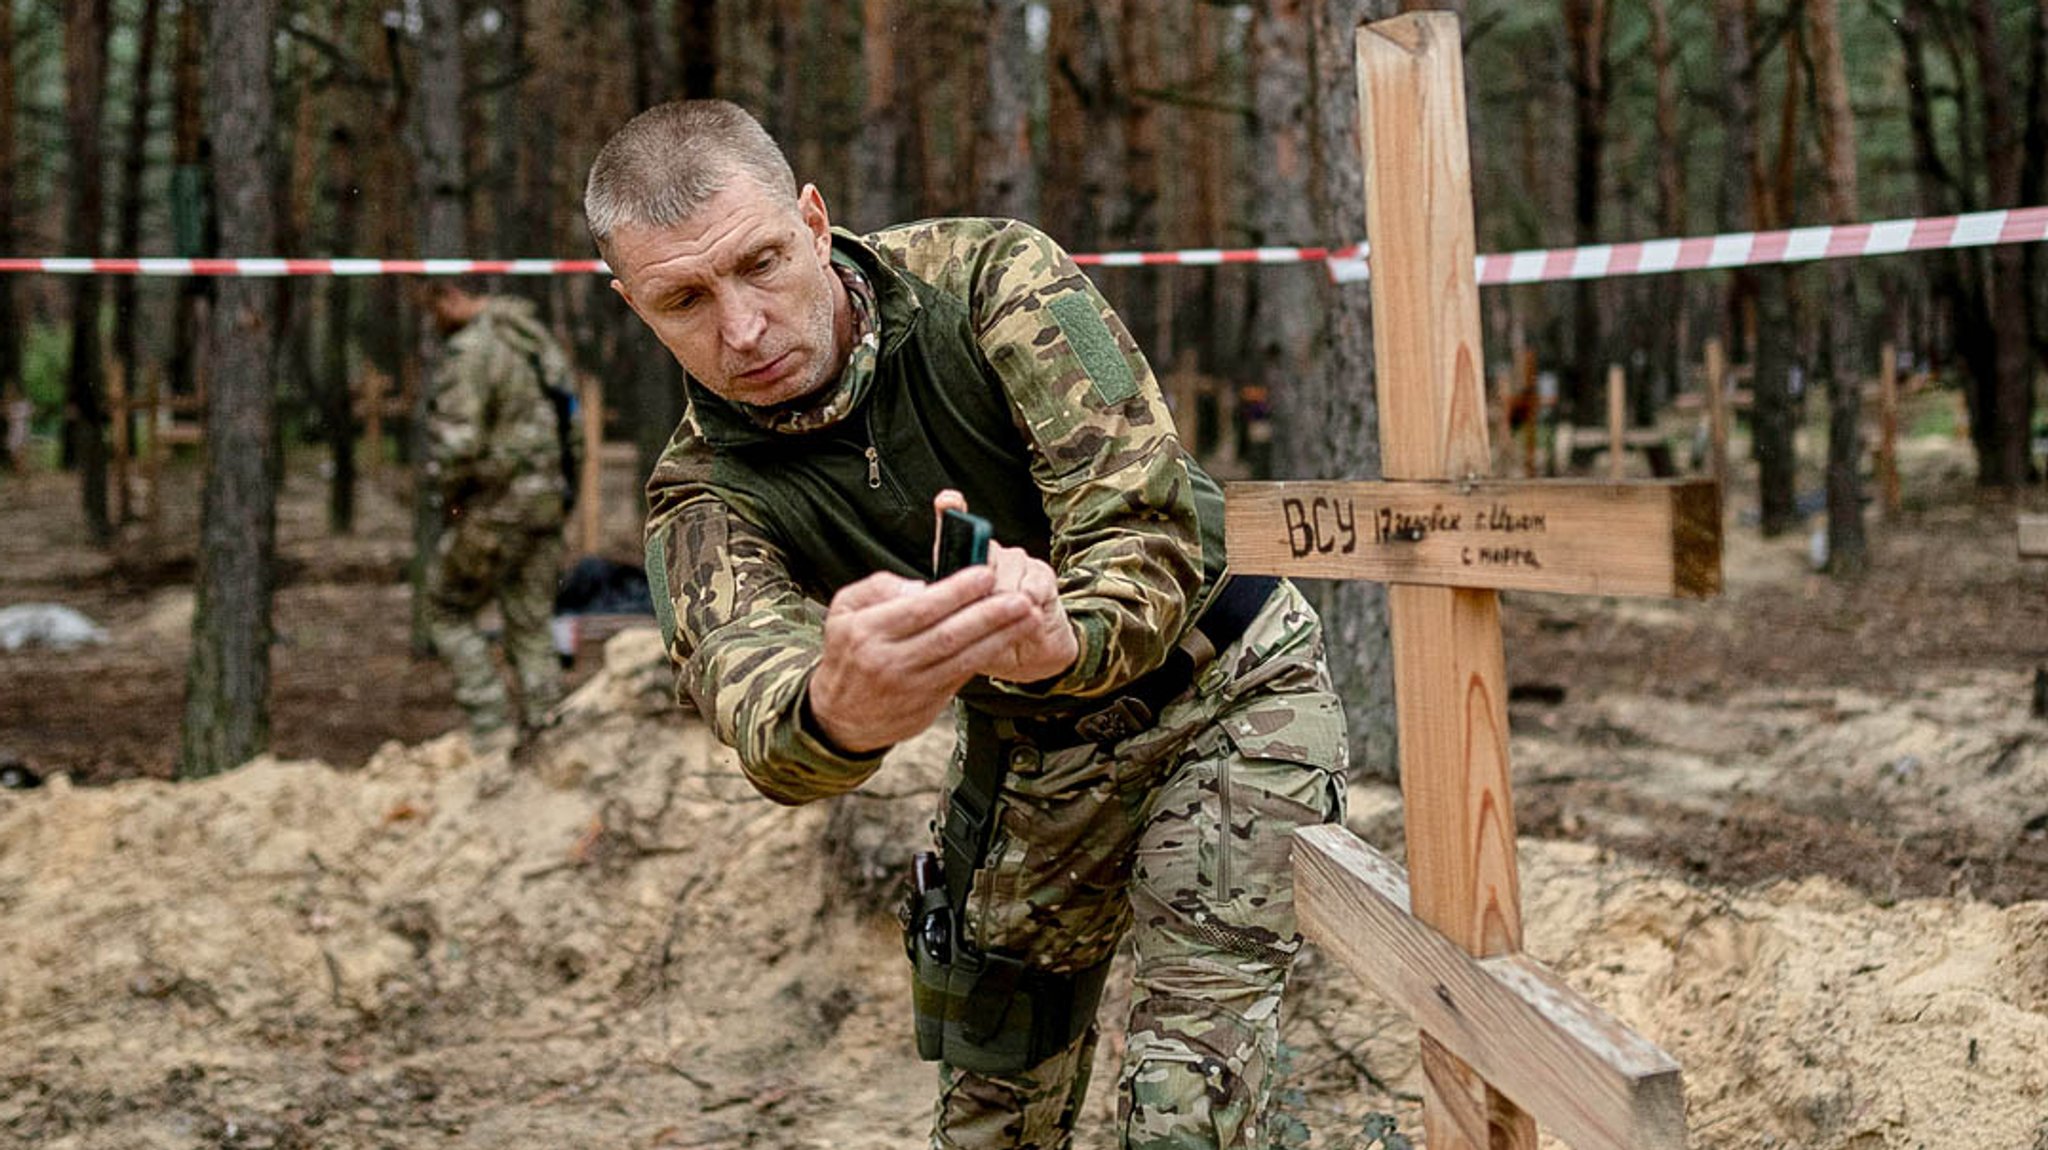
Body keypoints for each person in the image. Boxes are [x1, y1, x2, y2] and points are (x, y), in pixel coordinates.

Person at [588, 100, 1348, 1150]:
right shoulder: (701, 495)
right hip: (1033, 753)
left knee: (1182, 1111)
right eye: (682, 299)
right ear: (632, 305)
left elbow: (1145, 528)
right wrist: (835, 710)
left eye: (760, 262)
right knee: (989, 1106)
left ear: (813, 219)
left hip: (1223, 689)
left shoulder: (988, 278)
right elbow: (749, 690)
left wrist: (1062, 638)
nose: (742, 329)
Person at [419, 280, 575, 748]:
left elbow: (457, 445)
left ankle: (489, 728)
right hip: (545, 505)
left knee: (445, 607)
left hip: (496, 509)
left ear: (451, 295)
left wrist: (448, 496)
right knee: (531, 624)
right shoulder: (532, 338)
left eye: (434, 308)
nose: (435, 321)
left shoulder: (472, 351)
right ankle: (546, 734)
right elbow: (573, 421)